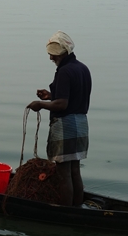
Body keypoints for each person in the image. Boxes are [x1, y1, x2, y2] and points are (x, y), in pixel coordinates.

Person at [27, 31, 92, 207]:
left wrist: (40, 104)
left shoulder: (64, 71)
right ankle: (76, 207)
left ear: (62, 52)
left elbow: (62, 105)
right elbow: (72, 99)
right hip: (81, 124)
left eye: (53, 54)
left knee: (64, 174)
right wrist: (51, 96)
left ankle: (65, 212)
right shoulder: (82, 68)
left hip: (65, 125)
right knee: (74, 171)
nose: (50, 57)